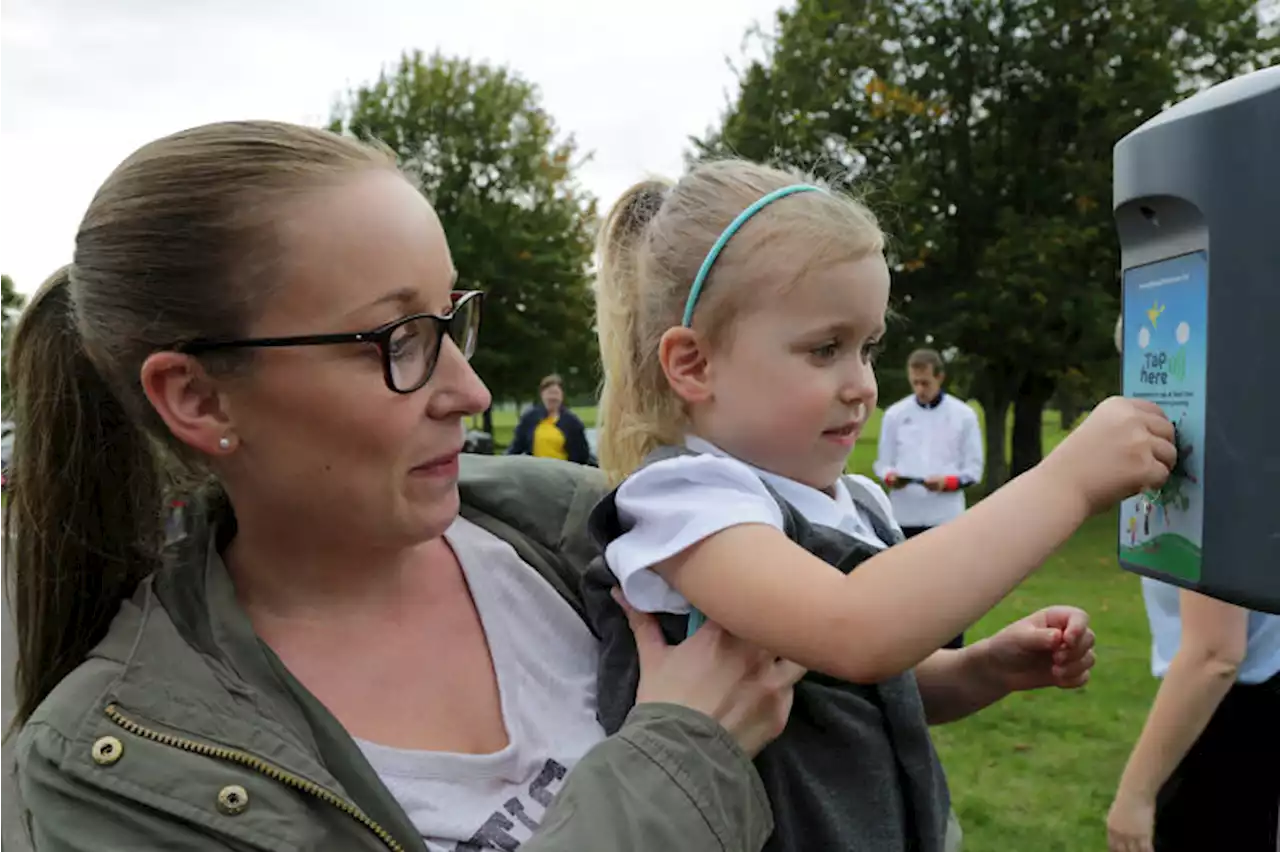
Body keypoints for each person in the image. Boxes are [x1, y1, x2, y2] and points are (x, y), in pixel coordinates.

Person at [3, 121, 804, 852]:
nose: (471, 391)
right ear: (199, 397)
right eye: (397, 340)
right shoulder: (114, 775)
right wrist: (679, 754)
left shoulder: (582, 528)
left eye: (451, 321)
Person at [583, 160, 1176, 852]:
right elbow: (853, 629)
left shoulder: (854, 504)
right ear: (693, 364)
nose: (862, 384)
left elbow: (882, 683)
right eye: (826, 348)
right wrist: (1068, 481)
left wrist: (983, 669)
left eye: (867, 347)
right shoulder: (683, 500)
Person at [1107, 315, 1280, 852]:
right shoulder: (1251, 437)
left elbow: (1214, 654)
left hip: (1232, 721)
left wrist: (1135, 794)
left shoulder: (1213, 457)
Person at [873, 347, 984, 648]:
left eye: (926, 383)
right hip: (904, 515)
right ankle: (907, 654)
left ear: (940, 378)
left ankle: (952, 653)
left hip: (944, 516)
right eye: (915, 383)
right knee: (907, 590)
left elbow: (973, 470)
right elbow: (882, 462)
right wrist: (890, 476)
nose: (920, 390)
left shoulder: (963, 416)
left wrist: (948, 482)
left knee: (947, 591)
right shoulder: (896, 414)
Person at [506, 374, 592, 464]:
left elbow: (581, 455)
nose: (552, 397)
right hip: (536, 471)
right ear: (542, 394)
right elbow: (516, 447)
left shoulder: (573, 423)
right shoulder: (529, 418)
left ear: (562, 396)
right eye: (549, 393)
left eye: (556, 393)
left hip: (563, 472)